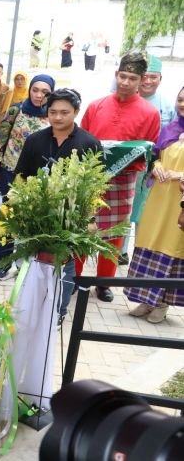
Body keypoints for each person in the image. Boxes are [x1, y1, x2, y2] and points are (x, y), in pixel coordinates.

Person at [76, 52, 160, 302]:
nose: (125, 82)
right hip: (91, 177)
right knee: (82, 226)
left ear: (140, 80)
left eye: (132, 78)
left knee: (115, 233)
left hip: (124, 180)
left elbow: (148, 148)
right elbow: (82, 139)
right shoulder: (96, 105)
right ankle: (76, 276)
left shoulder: (150, 112)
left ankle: (104, 282)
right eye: (122, 76)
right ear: (116, 75)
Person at [14, 88, 101, 322]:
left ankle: (58, 313)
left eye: (65, 112)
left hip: (71, 218)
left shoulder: (90, 143)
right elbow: (20, 176)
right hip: (35, 217)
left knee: (65, 265)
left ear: (76, 112)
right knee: (30, 262)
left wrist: (90, 219)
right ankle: (27, 308)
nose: (58, 117)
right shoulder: (34, 140)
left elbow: (95, 188)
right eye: (53, 112)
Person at [0, 74, 55, 279]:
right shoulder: (16, 110)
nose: (39, 95)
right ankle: (3, 265)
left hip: (40, 178)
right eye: (35, 90)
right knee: (8, 219)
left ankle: (29, 266)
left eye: (45, 92)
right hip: (12, 173)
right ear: (29, 89)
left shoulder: (53, 114)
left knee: (35, 221)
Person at [123, 86, 184, 323]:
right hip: (158, 197)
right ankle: (146, 299)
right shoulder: (170, 128)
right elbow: (156, 156)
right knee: (151, 239)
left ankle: (163, 303)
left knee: (173, 245)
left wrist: (178, 176)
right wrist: (157, 167)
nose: (182, 104)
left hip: (179, 203)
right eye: (180, 99)